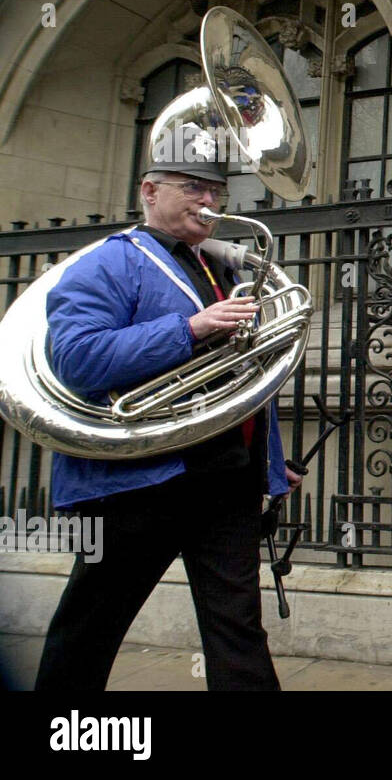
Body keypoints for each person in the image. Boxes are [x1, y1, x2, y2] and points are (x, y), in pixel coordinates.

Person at [34, 140, 295, 692]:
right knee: (92, 623)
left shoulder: (219, 266)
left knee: (238, 630)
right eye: (194, 189)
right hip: (135, 482)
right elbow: (77, 359)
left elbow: (241, 376)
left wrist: (270, 460)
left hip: (226, 478)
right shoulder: (108, 261)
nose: (209, 201)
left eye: (217, 191)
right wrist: (192, 329)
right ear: (149, 191)